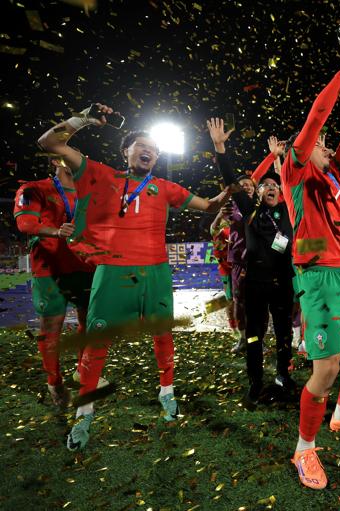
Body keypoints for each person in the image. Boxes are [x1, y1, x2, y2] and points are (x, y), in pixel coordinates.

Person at [37, 103, 231, 451]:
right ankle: (85, 414)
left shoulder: (165, 187)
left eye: (155, 149)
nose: (150, 151)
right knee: (97, 343)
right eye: (142, 145)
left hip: (155, 272)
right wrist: (84, 118)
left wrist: (224, 167)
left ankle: (167, 392)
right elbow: (49, 142)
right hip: (113, 273)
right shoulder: (100, 175)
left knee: (162, 335)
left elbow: (210, 205)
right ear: (125, 150)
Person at [281, 52, 340, 490]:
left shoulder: (335, 175)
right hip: (317, 279)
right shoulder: (296, 171)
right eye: (318, 141)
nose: (323, 143)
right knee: (326, 367)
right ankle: (304, 448)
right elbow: (318, 116)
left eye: (324, 143)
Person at [208, 118, 297, 406]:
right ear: (256, 194)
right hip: (255, 285)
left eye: (275, 186)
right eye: (265, 186)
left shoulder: (288, 210)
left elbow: (291, 181)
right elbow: (231, 181)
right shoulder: (249, 212)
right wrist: (220, 147)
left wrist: (280, 162)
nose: (271, 188)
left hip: (283, 283)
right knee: (255, 336)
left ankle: (284, 374)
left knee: (284, 333)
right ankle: (255, 381)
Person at [13, 157, 95, 408]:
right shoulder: (33, 188)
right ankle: (54, 381)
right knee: (52, 327)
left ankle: (83, 375)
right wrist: (56, 230)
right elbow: (25, 222)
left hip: (85, 266)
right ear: (54, 159)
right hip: (49, 267)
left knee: (88, 324)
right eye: (67, 152)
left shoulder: (90, 193)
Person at [225, 174, 257, 354]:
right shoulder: (232, 207)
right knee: (240, 302)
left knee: (259, 303)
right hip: (240, 262)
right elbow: (234, 219)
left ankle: (257, 338)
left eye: (250, 185)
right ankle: (243, 339)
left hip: (259, 262)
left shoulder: (262, 207)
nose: (247, 187)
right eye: (243, 185)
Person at [210, 204, 238, 338]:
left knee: (245, 301)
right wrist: (219, 215)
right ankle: (234, 328)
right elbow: (213, 229)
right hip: (227, 271)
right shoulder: (220, 232)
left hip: (241, 270)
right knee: (230, 301)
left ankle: (248, 329)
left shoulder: (240, 228)